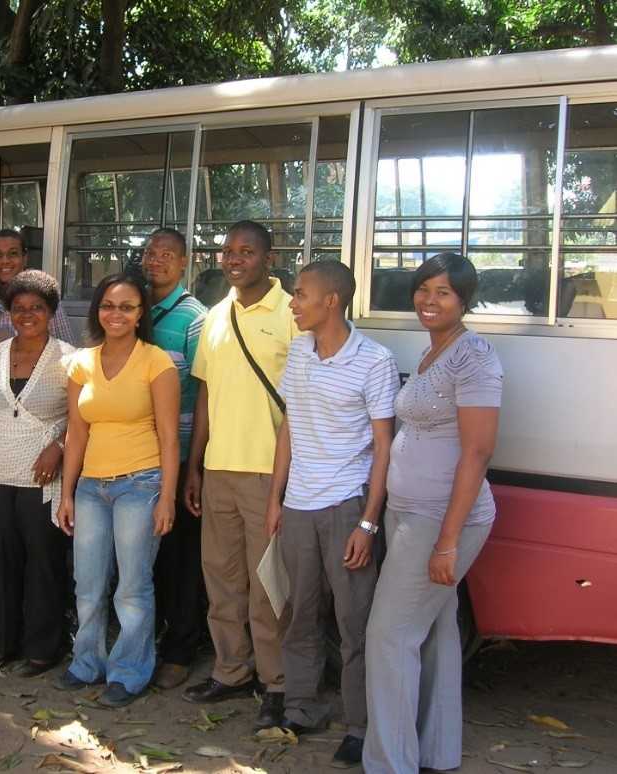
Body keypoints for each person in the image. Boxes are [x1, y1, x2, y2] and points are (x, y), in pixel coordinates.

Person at [363, 253, 503, 774]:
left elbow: (478, 452)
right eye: (424, 288)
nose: (429, 299)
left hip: (441, 518)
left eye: (443, 291)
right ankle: (435, 753)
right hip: (408, 511)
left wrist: (447, 540)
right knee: (437, 632)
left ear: (464, 299)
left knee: (389, 635)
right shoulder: (432, 353)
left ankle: (389, 764)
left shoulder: (475, 357)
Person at [265, 261, 399, 768]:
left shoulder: (375, 360)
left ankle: (361, 726)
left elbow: (384, 447)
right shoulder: (299, 351)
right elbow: (289, 428)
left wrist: (368, 521)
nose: (293, 303)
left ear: (331, 301)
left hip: (346, 505)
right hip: (298, 504)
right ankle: (301, 708)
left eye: (300, 294)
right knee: (299, 614)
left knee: (354, 621)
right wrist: (276, 499)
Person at [182, 220, 299, 731]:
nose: (234, 259)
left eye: (246, 251)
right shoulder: (214, 316)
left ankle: (276, 683)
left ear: (268, 259)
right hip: (219, 469)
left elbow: (304, 399)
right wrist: (194, 464)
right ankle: (232, 670)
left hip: (269, 472)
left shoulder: (293, 314)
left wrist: (286, 476)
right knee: (223, 579)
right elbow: (205, 391)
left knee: (268, 585)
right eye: (228, 250)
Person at [55, 272, 180, 708]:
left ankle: (129, 672)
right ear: (98, 310)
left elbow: (169, 437)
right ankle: (86, 662)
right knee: (87, 582)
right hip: (90, 487)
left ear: (140, 313)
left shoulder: (156, 362)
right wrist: (67, 493)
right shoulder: (81, 363)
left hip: (140, 485)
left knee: (132, 586)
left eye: (127, 307)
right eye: (109, 305)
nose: (116, 314)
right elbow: (76, 432)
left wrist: (167, 497)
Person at [0, 270, 76, 676]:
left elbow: (81, 420)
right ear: (8, 313)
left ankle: (43, 649)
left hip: (43, 479)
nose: (27, 315)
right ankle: (1, 643)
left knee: (44, 562)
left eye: (36, 308)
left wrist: (58, 447)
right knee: (1, 562)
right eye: (18, 308)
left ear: (50, 312)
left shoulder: (70, 359)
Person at [141, 228, 209, 690]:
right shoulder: (135, 307)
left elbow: (203, 391)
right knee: (148, 553)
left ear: (184, 263)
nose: (156, 260)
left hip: (179, 454)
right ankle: (152, 636)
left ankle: (182, 646)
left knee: (182, 555)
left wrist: (194, 464)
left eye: (167, 255)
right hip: (137, 454)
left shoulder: (194, 318)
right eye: (151, 252)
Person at [0, 229, 75, 343]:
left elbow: (68, 353)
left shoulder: (45, 300)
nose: (5, 261)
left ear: (25, 258)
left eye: (13, 253)